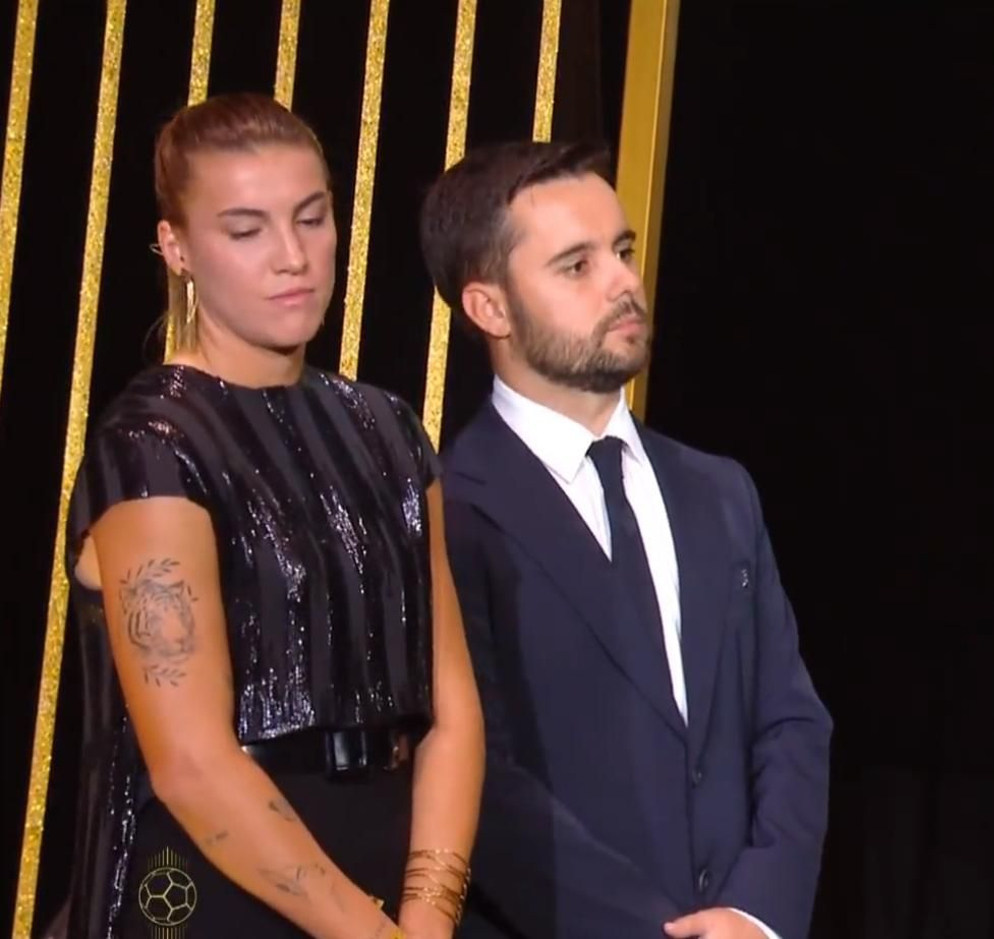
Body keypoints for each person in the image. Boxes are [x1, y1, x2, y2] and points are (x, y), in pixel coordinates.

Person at [63, 92, 484, 938]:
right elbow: (190, 764)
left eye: (312, 218)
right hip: (206, 888)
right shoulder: (151, 442)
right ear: (176, 247)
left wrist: (428, 918)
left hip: (391, 871)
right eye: (246, 230)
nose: (293, 256)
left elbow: (453, 711)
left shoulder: (390, 430)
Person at [418, 140, 832, 939]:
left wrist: (757, 909)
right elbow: (484, 784)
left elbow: (790, 720)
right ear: (489, 308)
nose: (622, 282)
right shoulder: (449, 511)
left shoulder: (719, 492)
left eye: (623, 250)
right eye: (577, 266)